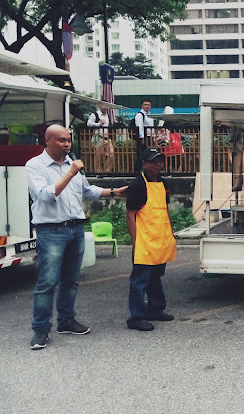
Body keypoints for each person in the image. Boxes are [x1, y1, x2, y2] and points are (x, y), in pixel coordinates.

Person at [25, 124, 128, 350]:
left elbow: (87, 190)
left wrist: (113, 192)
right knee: (47, 282)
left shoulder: (71, 163)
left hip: (75, 229)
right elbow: (45, 195)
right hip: (51, 231)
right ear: (48, 141)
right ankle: (40, 330)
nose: (67, 144)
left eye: (69, 140)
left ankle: (66, 321)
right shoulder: (35, 165)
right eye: (62, 140)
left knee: (71, 280)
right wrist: (71, 173)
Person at [125, 148, 177, 331]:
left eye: (160, 161)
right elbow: (130, 215)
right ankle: (136, 317)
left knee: (156, 277)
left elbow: (165, 209)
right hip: (145, 240)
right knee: (140, 280)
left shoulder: (163, 183)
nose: (159, 164)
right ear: (144, 164)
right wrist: (135, 241)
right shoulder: (138, 185)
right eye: (154, 161)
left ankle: (156, 308)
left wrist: (170, 232)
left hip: (160, 237)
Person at [86, 105, 114, 173]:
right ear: (100, 106)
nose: (105, 107)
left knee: (111, 154)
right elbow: (88, 123)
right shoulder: (95, 114)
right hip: (98, 137)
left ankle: (107, 171)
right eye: (104, 106)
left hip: (107, 138)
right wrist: (98, 124)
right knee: (98, 156)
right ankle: (98, 172)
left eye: (107, 106)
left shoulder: (108, 115)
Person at [133, 99, 154, 171]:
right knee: (142, 154)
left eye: (148, 105)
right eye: (145, 105)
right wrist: (142, 138)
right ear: (142, 106)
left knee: (149, 154)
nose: (147, 106)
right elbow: (140, 127)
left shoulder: (150, 115)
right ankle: (139, 170)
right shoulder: (140, 115)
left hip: (150, 136)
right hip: (144, 137)